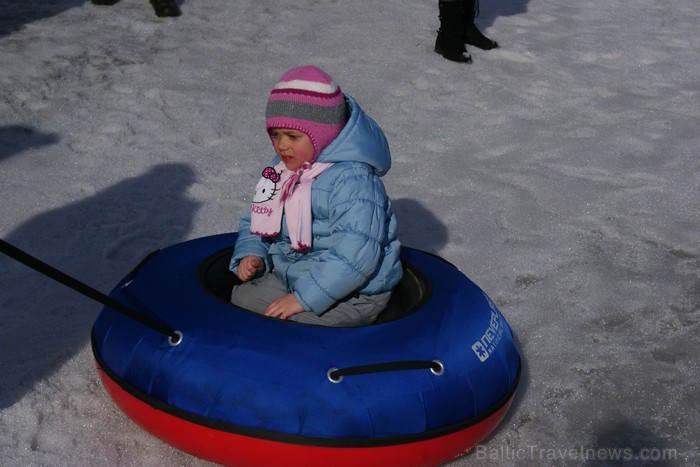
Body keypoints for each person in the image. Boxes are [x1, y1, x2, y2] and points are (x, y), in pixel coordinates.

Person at [229, 65, 403, 327]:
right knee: (241, 301)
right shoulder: (282, 169)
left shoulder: (353, 181)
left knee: (298, 326)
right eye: (275, 134)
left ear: (322, 135)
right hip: (293, 277)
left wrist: (302, 299)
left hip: (355, 292)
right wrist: (252, 253)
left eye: (293, 136)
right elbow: (257, 217)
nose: (281, 145)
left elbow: (355, 254)